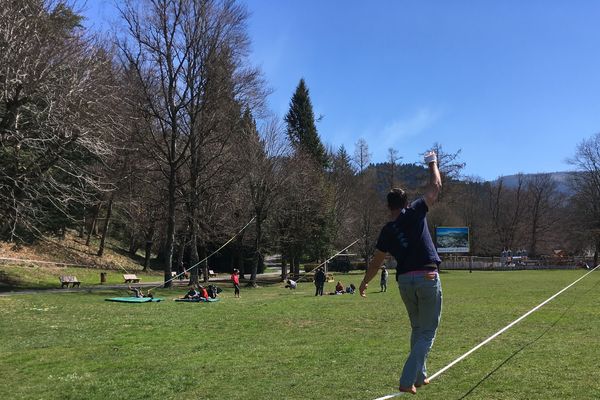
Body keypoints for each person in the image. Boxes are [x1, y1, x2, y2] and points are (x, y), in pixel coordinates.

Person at [359, 150, 442, 395]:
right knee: (427, 331)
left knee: (417, 328)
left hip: (404, 281)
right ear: (406, 204)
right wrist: (432, 162)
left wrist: (364, 283)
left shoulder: (387, 230)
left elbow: (376, 263)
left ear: (388, 207)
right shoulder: (415, 211)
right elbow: (436, 186)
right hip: (427, 277)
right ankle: (407, 379)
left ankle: (420, 374)